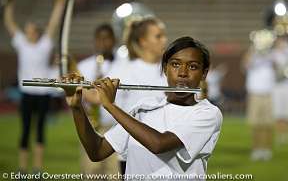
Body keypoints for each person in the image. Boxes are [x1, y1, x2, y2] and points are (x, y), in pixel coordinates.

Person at [63, 36, 223, 180]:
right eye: (175, 64)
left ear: (204, 74)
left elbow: (158, 144)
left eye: (193, 67)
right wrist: (77, 107)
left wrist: (110, 105)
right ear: (165, 69)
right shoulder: (144, 107)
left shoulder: (208, 114)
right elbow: (97, 151)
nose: (182, 73)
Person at [3, 0, 65, 174]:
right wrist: (9, 3)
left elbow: (53, 23)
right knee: (25, 130)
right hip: (27, 93)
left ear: (36, 32)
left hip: (43, 93)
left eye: (32, 29)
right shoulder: (22, 43)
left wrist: (59, 3)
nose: (29, 32)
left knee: (39, 130)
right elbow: (9, 23)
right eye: (27, 29)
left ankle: (37, 168)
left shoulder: (44, 44)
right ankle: (22, 168)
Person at [107, 16, 168, 174]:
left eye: (164, 35)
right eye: (158, 36)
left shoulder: (171, 70)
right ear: (143, 41)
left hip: (163, 150)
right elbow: (97, 96)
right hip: (132, 150)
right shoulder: (124, 69)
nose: (164, 40)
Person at [76, 24, 120, 179]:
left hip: (115, 127)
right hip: (92, 126)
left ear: (114, 40)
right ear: (94, 41)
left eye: (106, 38)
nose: (103, 43)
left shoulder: (123, 64)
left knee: (114, 173)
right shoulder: (83, 66)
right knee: (90, 172)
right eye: (99, 39)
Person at [242, 42, 275, 161]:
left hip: (268, 93)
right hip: (255, 93)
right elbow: (245, 64)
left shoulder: (272, 54)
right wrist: (254, 49)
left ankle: (267, 150)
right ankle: (256, 149)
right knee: (255, 124)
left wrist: (269, 51)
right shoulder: (252, 54)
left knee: (268, 124)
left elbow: (280, 65)